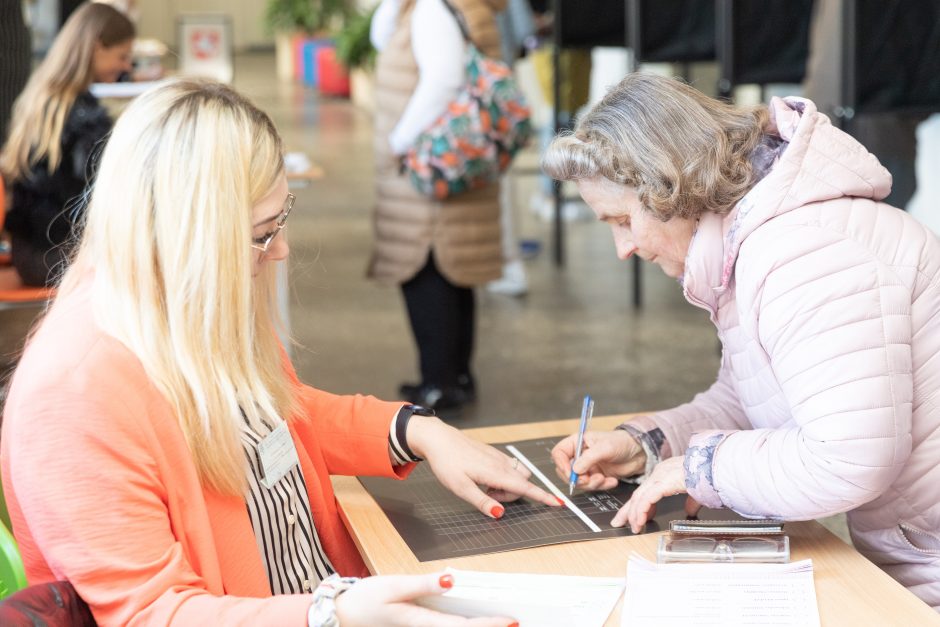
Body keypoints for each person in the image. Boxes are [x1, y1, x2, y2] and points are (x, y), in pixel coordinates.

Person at [0, 79, 560, 626]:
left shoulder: (190, 303)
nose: (281, 248)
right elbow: (153, 613)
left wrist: (417, 430)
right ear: (190, 233)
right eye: (262, 232)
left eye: (281, 220)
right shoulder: (71, 398)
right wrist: (333, 614)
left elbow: (280, 413)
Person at [543, 72, 940, 610]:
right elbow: (757, 398)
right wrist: (649, 445)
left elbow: (846, 458)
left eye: (622, 220)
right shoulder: (758, 240)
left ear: (668, 187)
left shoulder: (802, 254)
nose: (623, 248)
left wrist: (698, 470)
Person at [369, 0, 507, 411]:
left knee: (427, 273)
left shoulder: (432, 9)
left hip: (427, 167)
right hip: (451, 165)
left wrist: (399, 140)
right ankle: (454, 376)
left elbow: (443, 79)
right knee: (453, 275)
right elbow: (383, 34)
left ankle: (439, 382)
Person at [0, 2, 134, 287]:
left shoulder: (43, 96)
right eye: (122, 56)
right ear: (97, 47)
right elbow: (101, 190)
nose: (126, 66)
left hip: (29, 250)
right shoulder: (80, 116)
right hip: (53, 255)